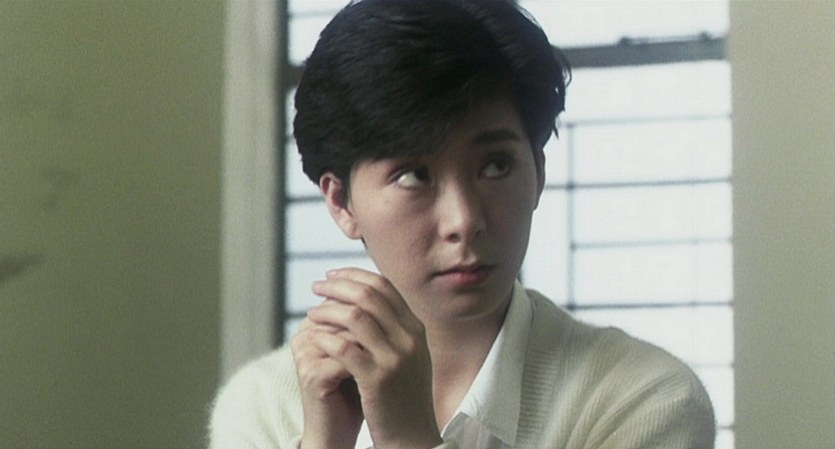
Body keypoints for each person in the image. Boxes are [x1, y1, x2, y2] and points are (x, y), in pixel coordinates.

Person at [209, 0, 716, 448]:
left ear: (538, 173)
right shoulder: (265, 407)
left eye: (496, 165)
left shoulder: (643, 397)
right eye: (414, 175)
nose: (464, 220)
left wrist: (408, 440)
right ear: (342, 202)